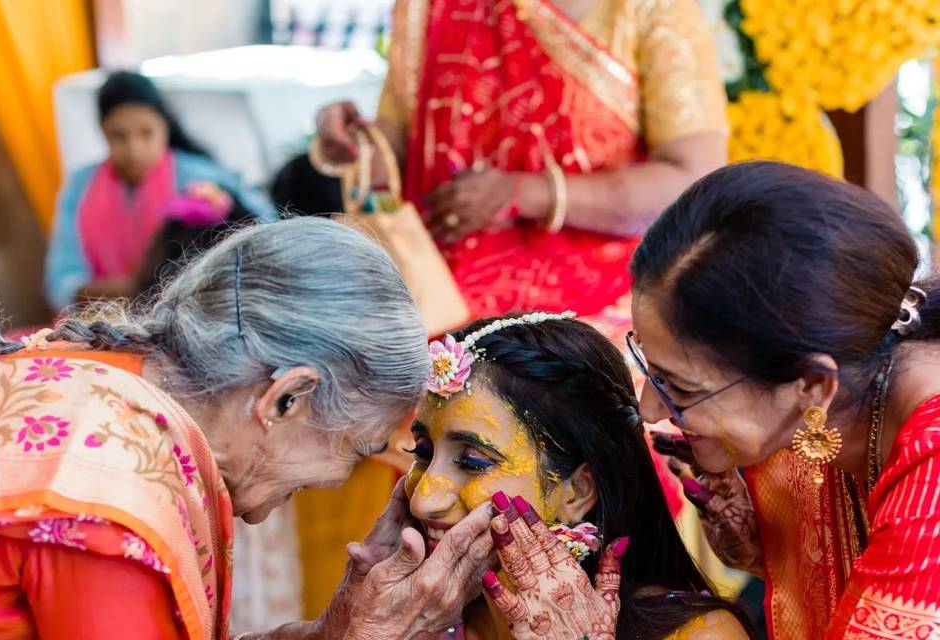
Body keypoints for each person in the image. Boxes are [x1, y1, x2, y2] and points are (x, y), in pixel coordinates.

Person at [0, 217, 494, 639]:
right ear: (286, 398)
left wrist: (334, 633)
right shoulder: (107, 495)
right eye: (359, 449)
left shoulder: (99, 375)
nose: (338, 481)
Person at [625, 161, 940, 638]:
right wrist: (775, 547)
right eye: (648, 364)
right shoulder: (855, 391)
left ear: (812, 386)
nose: (651, 410)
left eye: (683, 388)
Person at [311, 0, 728, 342]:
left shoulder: (652, 9)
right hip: (433, 306)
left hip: (591, 321)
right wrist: (357, 144)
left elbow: (692, 178)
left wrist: (526, 193)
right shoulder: (429, 6)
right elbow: (405, 142)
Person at [406, 313, 753, 638]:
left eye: (472, 462)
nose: (423, 501)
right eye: (422, 452)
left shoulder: (701, 634)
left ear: (578, 491)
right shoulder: (414, 618)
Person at [44, 70, 276, 313]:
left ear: (165, 126)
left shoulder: (201, 178)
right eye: (119, 136)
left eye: (146, 133)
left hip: (188, 316)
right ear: (102, 131)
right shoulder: (80, 188)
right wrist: (126, 292)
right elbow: (61, 280)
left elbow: (264, 230)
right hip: (101, 321)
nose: (134, 149)